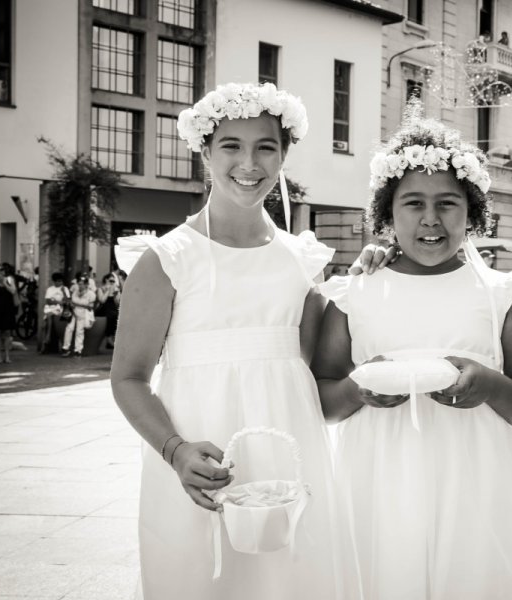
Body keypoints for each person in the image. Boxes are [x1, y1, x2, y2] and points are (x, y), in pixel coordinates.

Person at [110, 82, 360, 599]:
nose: (249, 163)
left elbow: (315, 372)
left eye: (265, 147)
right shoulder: (167, 258)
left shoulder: (303, 261)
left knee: (293, 580)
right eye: (231, 146)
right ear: (205, 152)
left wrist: (370, 277)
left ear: (284, 154)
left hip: (290, 453)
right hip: (200, 459)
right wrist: (175, 451)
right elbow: (129, 377)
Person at [312, 110, 512, 600]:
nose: (430, 218)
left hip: (477, 490)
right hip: (377, 487)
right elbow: (321, 399)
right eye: (413, 203)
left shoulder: (503, 295)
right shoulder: (352, 294)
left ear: (473, 212)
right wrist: (360, 387)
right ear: (386, 212)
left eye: (448, 203)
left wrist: (490, 384)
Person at [0, 263, 19, 364]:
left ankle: (7, 356)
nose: (2, 272)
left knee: (7, 333)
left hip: (8, 309)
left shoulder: (10, 280)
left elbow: (13, 291)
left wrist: (5, 283)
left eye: (3, 270)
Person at [61, 273, 96, 357]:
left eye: (82, 284)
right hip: (73, 312)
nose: (80, 286)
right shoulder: (75, 292)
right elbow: (70, 300)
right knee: (69, 329)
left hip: (83, 313)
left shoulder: (91, 294)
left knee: (79, 331)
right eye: (79, 284)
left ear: (86, 284)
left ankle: (78, 350)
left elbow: (90, 307)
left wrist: (77, 305)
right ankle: (65, 348)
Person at [41, 272, 69, 353]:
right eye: (57, 281)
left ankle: (48, 337)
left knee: (49, 316)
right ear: (54, 281)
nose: (59, 283)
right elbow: (48, 301)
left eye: (60, 281)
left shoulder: (65, 289)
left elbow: (67, 301)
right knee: (46, 321)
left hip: (59, 309)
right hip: (50, 308)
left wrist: (63, 292)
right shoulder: (50, 289)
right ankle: (46, 340)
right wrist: (59, 301)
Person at [95, 272, 121, 350]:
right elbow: (102, 300)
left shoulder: (116, 290)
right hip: (104, 309)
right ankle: (108, 340)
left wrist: (115, 295)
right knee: (109, 317)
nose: (112, 283)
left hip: (113, 309)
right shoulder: (101, 289)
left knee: (116, 317)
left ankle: (111, 340)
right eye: (110, 281)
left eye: (113, 281)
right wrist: (107, 291)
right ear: (106, 280)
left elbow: (117, 303)